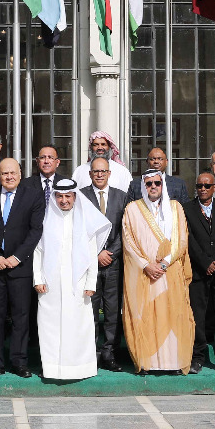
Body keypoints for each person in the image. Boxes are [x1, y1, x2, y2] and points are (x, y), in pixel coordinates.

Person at [33, 179, 109, 381]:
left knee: (78, 327)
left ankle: (80, 369)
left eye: (68, 196)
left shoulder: (84, 220)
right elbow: (38, 251)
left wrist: (91, 283)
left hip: (78, 285)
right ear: (54, 197)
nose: (64, 200)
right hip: (50, 285)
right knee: (50, 327)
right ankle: (51, 369)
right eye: (59, 196)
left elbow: (92, 255)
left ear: (75, 197)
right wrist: (38, 278)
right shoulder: (46, 218)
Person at [122, 170, 194, 374]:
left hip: (169, 271)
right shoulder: (132, 209)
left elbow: (182, 239)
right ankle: (147, 362)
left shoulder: (175, 207)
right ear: (143, 187)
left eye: (157, 183)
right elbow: (128, 241)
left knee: (172, 314)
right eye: (149, 184)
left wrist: (165, 263)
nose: (153, 187)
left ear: (163, 185)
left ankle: (174, 363)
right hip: (144, 274)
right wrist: (146, 265)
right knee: (146, 315)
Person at [0, 158, 44, 378]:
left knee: (21, 317)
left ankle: (19, 361)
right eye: (5, 173)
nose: (9, 177)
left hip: (20, 267)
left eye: (13, 173)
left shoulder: (33, 196)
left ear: (20, 174)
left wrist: (17, 257)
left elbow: (35, 231)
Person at [182, 172, 215, 374]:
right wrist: (205, 262)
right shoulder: (187, 209)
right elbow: (187, 238)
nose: (203, 189)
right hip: (199, 270)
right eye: (199, 186)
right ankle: (197, 357)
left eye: (207, 186)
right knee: (198, 316)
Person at [81, 157, 128, 371]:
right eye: (96, 171)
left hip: (113, 263)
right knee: (89, 310)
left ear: (109, 173)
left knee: (112, 311)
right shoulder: (80, 196)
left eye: (103, 171)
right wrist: (96, 254)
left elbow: (125, 230)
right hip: (89, 262)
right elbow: (79, 229)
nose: (99, 175)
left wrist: (111, 253)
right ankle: (90, 353)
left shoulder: (121, 196)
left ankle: (109, 353)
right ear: (90, 173)